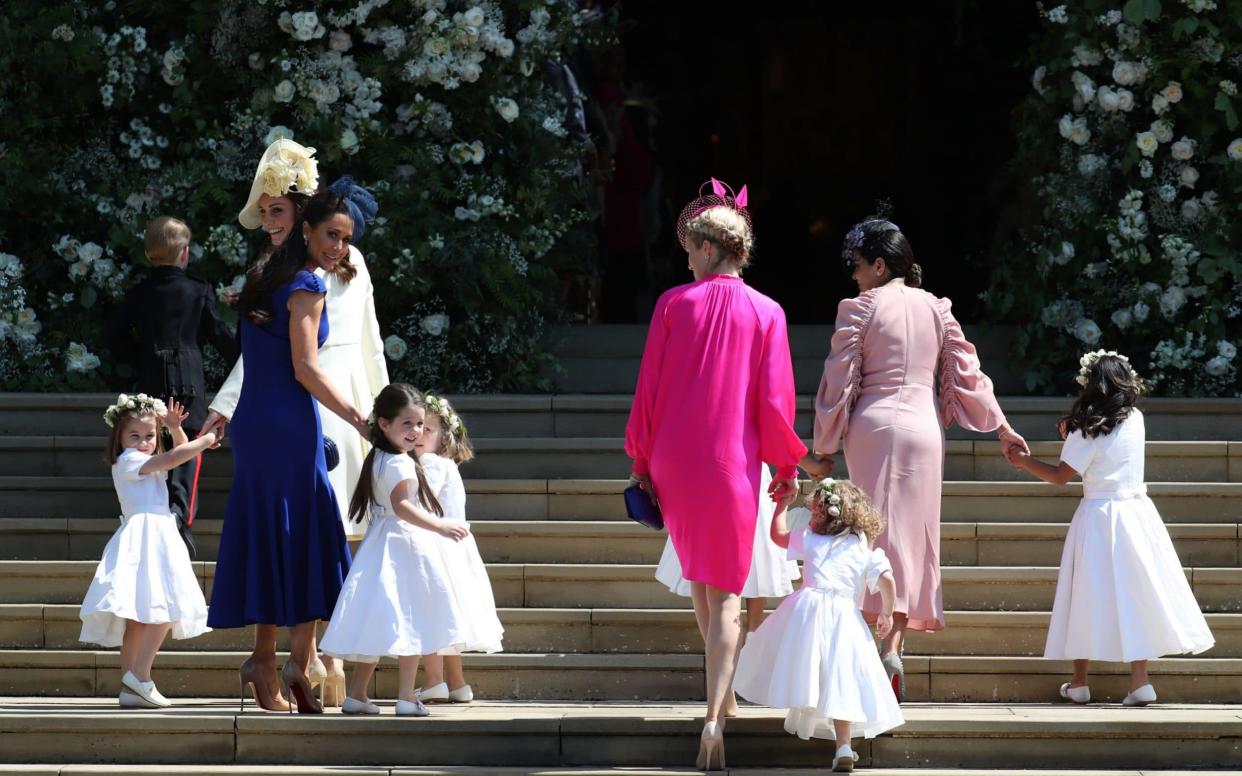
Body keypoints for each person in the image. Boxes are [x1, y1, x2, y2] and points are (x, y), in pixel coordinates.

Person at [805, 217, 1029, 700]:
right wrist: (1003, 427)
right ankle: (894, 646)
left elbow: (839, 381)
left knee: (870, 532)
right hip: (925, 430)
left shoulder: (861, 308)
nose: (855, 276)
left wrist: (822, 448)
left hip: (874, 426)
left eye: (858, 266)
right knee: (912, 539)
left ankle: (872, 648)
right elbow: (970, 373)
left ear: (880, 264)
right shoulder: (937, 308)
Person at [625, 180, 806, 769]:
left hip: (677, 459)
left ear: (707, 249)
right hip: (732, 461)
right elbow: (775, 402)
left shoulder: (674, 304)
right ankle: (713, 716)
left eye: (688, 249)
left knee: (702, 583)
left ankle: (721, 701)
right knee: (725, 594)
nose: (685, 258)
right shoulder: (769, 311)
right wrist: (785, 465)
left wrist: (640, 459)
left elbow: (648, 388)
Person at [202, 140, 388, 708]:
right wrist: (362, 418)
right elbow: (306, 368)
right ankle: (292, 664)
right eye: (331, 234)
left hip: (261, 420)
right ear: (308, 229)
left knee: (275, 532)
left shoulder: (263, 274)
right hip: (292, 417)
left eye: (345, 238)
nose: (338, 246)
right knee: (307, 533)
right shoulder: (305, 285)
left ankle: (273, 661)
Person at [1006, 351, 1214, 705]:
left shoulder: (1084, 428)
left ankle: (1080, 681)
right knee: (1136, 592)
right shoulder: (1136, 419)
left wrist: (1023, 462)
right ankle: (1139, 681)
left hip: (1098, 516)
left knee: (1084, 594)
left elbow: (1060, 477)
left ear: (1090, 385)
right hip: (1136, 514)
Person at [320, 384, 473, 716]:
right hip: (406, 544)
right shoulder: (400, 463)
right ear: (384, 424)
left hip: (381, 543)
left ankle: (358, 694)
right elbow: (402, 506)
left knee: (378, 618)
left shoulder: (378, 456)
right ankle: (406, 696)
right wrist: (441, 525)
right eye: (407, 424)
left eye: (419, 424)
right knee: (412, 618)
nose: (416, 431)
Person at [734, 477, 904, 773]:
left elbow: (777, 535)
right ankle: (844, 746)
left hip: (806, 611)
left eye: (814, 512)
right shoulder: (859, 545)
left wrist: (781, 506)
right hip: (844, 615)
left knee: (810, 667)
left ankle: (817, 713)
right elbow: (886, 578)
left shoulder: (809, 539)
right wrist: (887, 612)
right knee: (842, 678)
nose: (811, 516)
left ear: (826, 514)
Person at [106, 216, 238, 557]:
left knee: (153, 445)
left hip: (150, 380)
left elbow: (115, 337)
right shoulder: (197, 289)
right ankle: (180, 517)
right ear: (184, 253)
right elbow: (221, 336)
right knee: (187, 449)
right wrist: (246, 354)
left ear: (150, 254)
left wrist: (137, 359)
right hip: (189, 382)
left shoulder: (138, 293)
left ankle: (161, 514)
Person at [80, 394, 217, 708]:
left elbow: (180, 456)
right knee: (166, 608)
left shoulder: (146, 460)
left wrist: (174, 429)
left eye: (150, 436)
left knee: (140, 619)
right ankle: (139, 676)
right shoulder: (129, 460)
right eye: (135, 435)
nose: (143, 442)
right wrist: (205, 439)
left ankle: (131, 688)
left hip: (156, 533)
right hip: (146, 534)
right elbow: (172, 459)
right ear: (121, 438)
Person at [653, 463, 800, 715]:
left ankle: (726, 679)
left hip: (699, 470)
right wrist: (792, 468)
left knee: (705, 571)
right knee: (752, 557)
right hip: (744, 471)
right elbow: (774, 429)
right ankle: (737, 661)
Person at [415, 393, 504, 704]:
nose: (418, 434)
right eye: (415, 426)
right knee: (449, 618)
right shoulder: (447, 465)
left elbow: (420, 504)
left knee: (432, 615)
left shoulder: (429, 463)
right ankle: (457, 683)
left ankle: (434, 680)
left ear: (443, 437)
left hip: (436, 547)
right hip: (456, 550)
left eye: (428, 429)